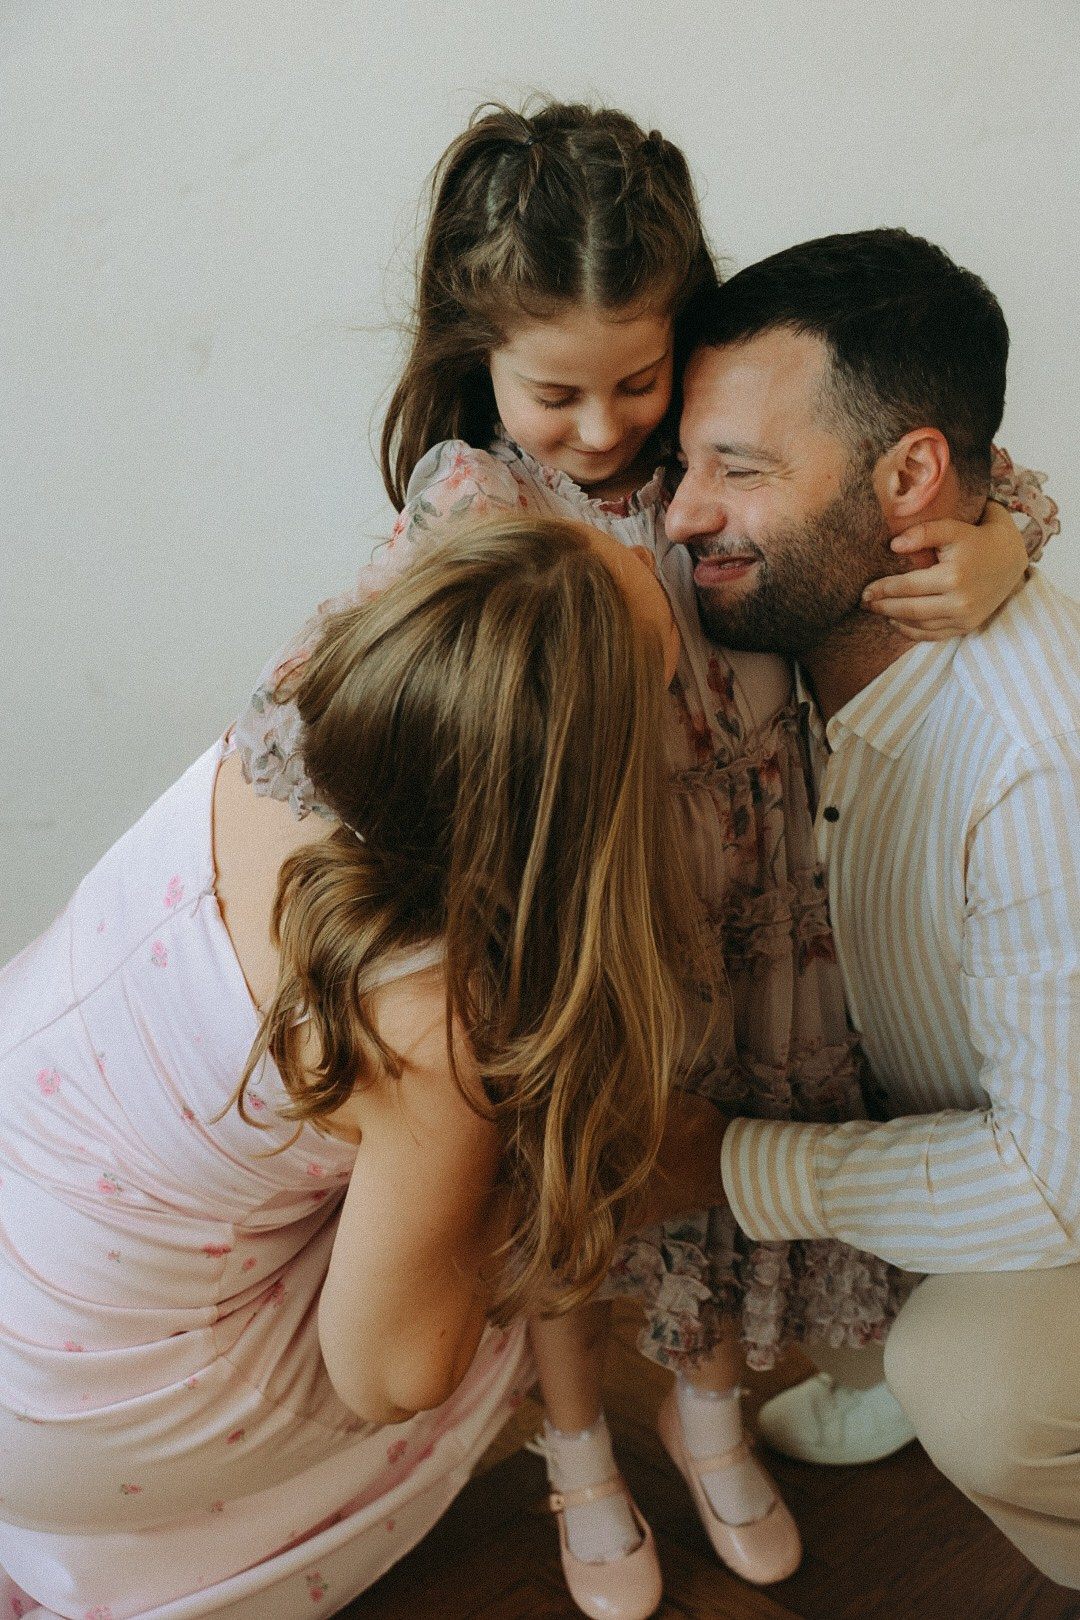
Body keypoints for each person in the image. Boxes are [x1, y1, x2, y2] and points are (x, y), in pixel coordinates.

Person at [239, 100, 1057, 1619]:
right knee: (587, 1193)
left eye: (640, 380)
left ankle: (708, 1419)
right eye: (558, 391)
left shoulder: (723, 458)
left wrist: (1007, 534)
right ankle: (578, 1455)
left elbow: (932, 466)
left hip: (760, 907)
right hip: (597, 910)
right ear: (477, 353)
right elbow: (338, 692)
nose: (611, 431)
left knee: (723, 1174)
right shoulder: (482, 505)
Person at [0, 514, 737, 1620]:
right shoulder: (429, 1022)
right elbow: (396, 1377)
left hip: (25, 1178)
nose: (650, 548)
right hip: (69, 1403)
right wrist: (539, 1165)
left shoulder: (281, 724)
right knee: (503, 1262)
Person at [665, 226, 1080, 1589]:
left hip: (1069, 1165)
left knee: (982, 1385)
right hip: (948, 1095)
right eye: (685, 463)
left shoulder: (1038, 763)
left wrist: (717, 1164)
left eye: (741, 470)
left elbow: (1055, 1182)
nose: (682, 514)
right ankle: (881, 1338)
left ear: (911, 479)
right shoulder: (782, 633)